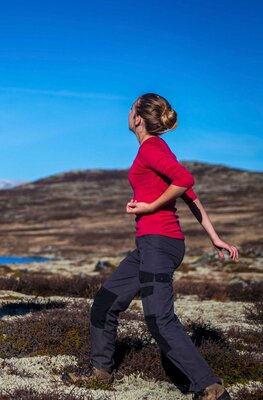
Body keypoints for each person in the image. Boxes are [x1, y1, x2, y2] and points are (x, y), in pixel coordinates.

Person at [62, 93, 239, 400]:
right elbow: (190, 194)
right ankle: (100, 372)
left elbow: (185, 179)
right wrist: (214, 236)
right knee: (105, 304)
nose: (128, 113)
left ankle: (211, 388)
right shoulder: (157, 149)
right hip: (149, 246)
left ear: (138, 119)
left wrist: (150, 206)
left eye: (131, 109)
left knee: (159, 319)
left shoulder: (152, 149)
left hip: (160, 244)